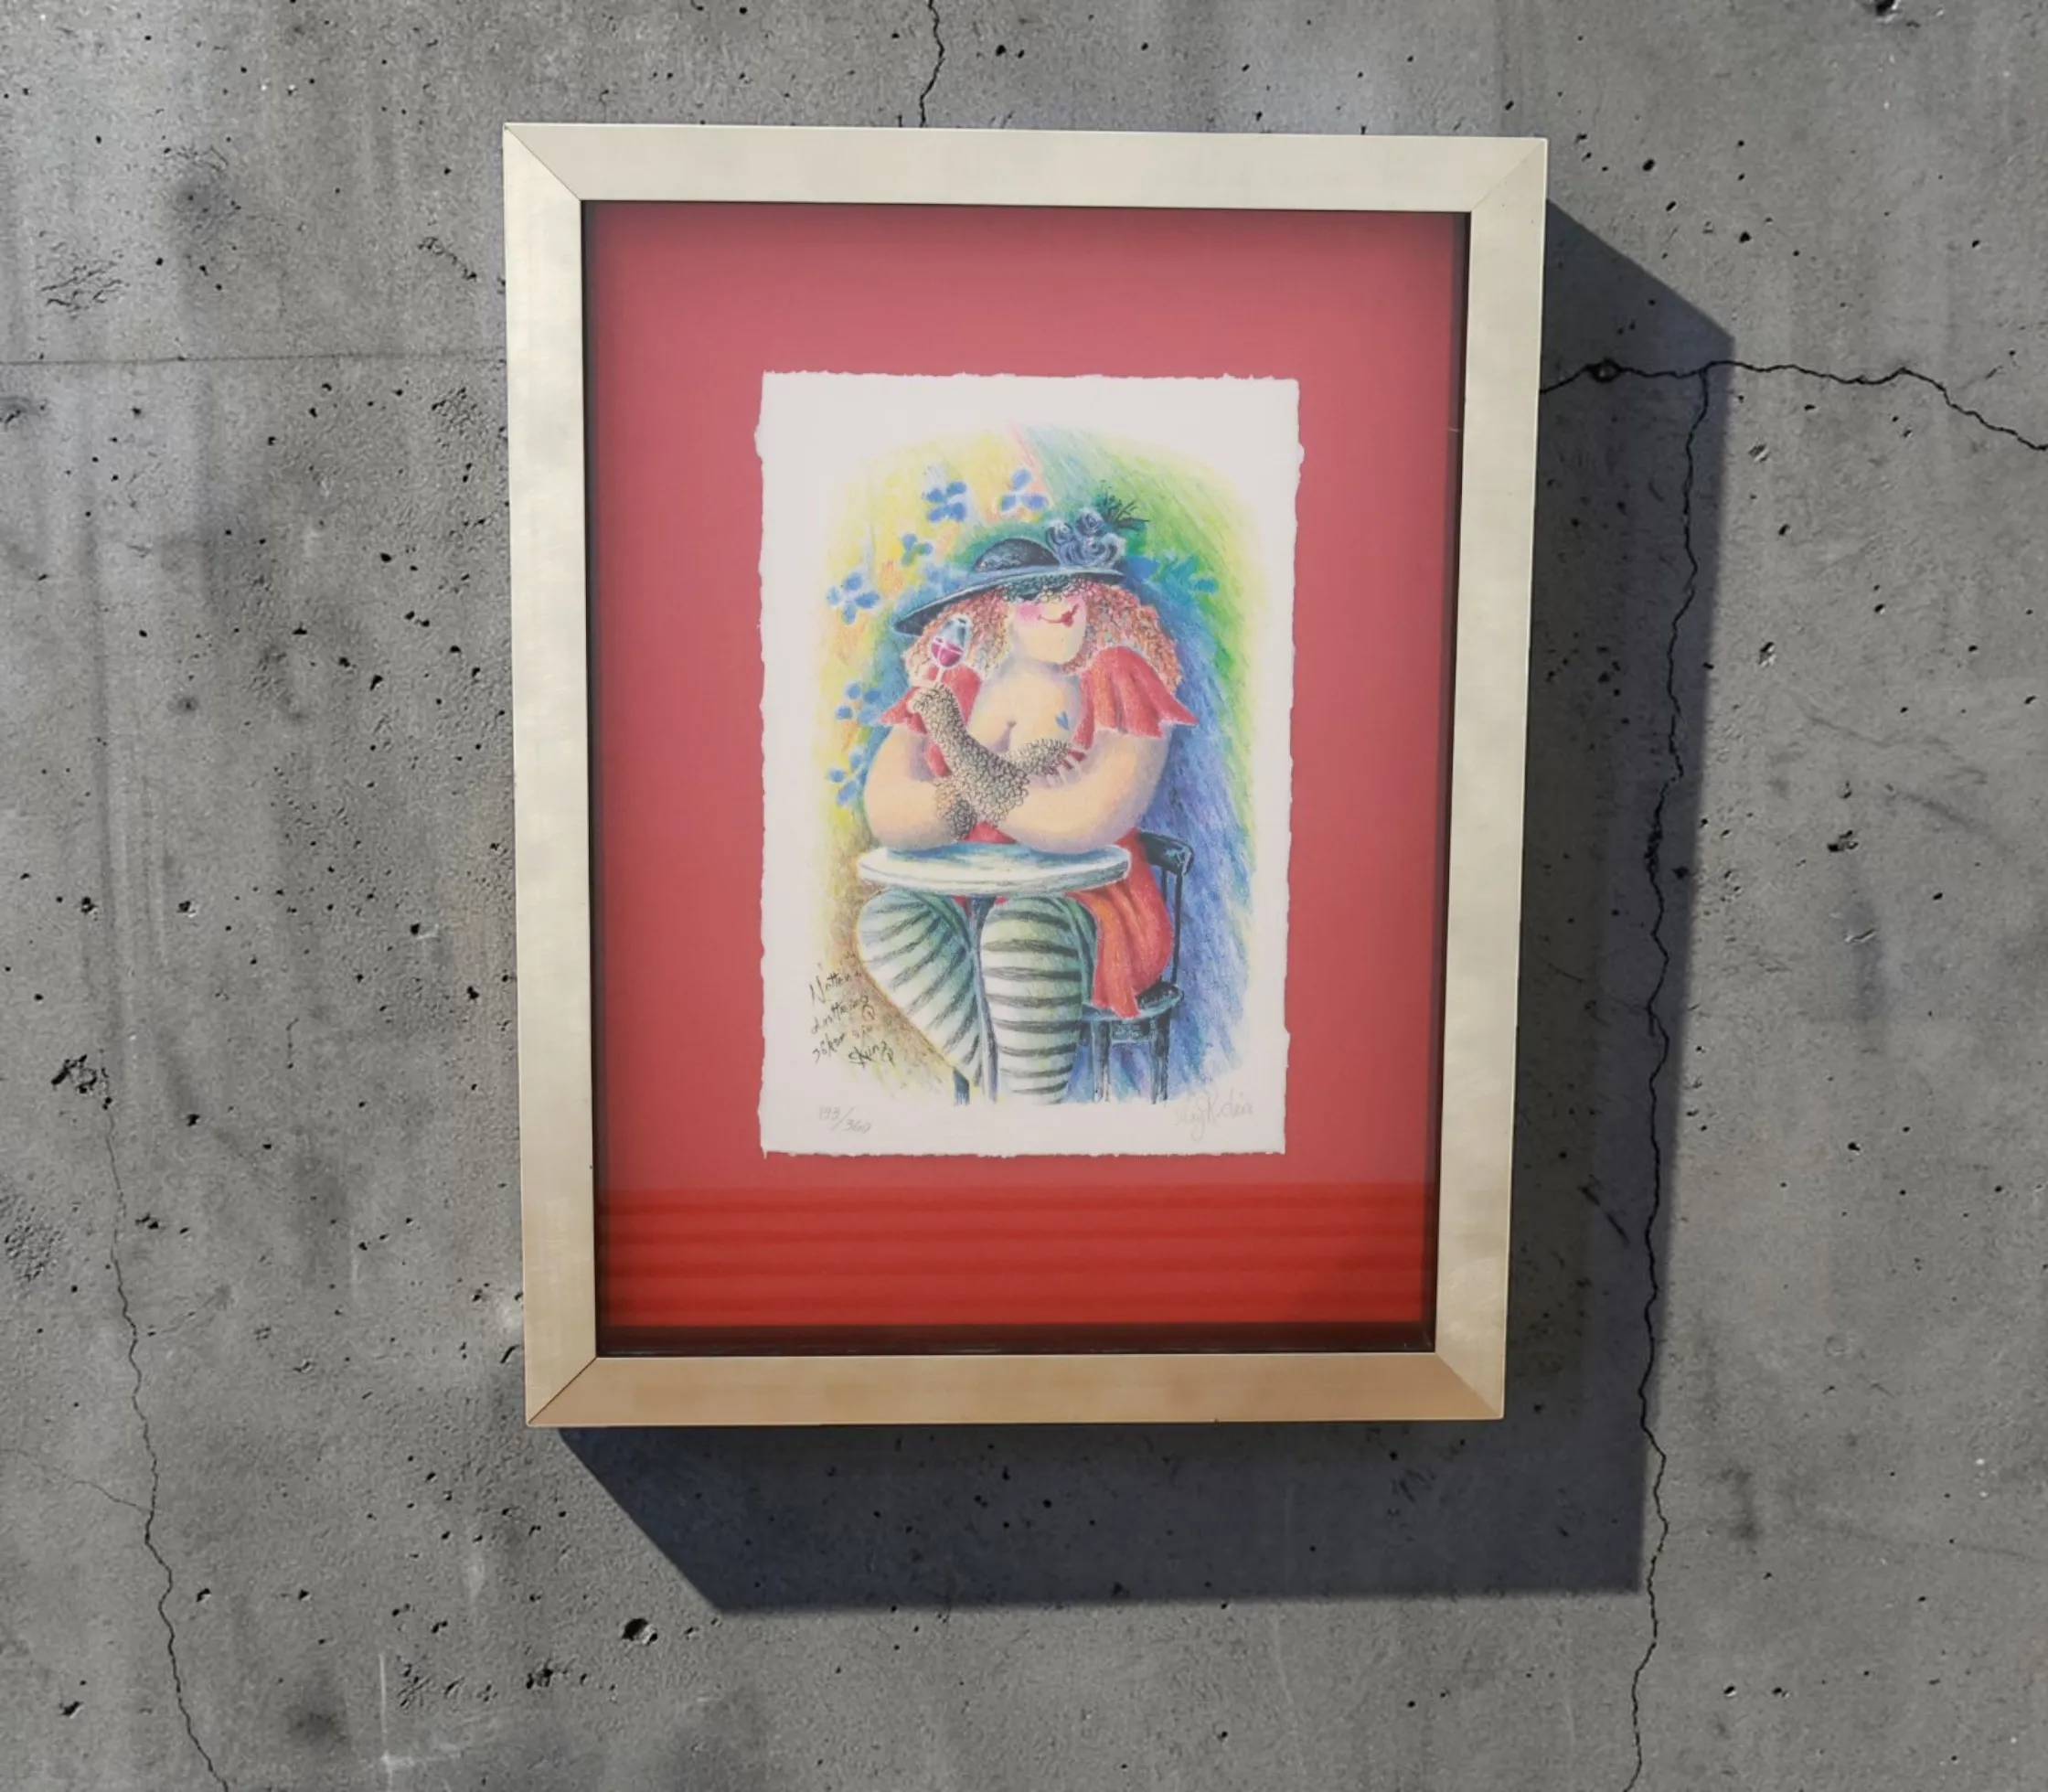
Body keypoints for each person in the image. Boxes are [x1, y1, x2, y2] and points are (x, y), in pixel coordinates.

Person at [857, 515, 1196, 1101]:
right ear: (994, 612)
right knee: (890, 921)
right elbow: (892, 814)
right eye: (1030, 594)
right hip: (972, 906)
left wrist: (961, 752)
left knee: (1019, 933)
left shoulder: (1117, 676)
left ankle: (1020, 1109)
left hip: (1095, 911)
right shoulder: (950, 688)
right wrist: (992, 767)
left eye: (1068, 588)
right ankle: (1012, 1101)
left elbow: (1081, 819)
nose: (1059, 606)